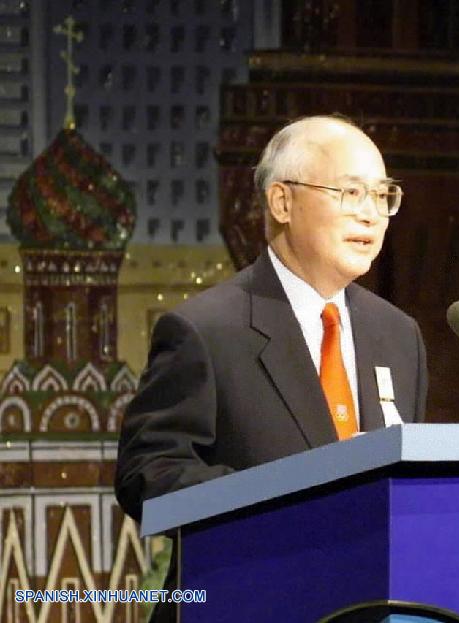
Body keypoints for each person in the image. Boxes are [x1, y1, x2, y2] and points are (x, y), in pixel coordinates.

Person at [115, 115, 428, 620]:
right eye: (350, 193)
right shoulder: (205, 330)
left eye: (382, 196)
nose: (371, 216)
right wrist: (277, 508)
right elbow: (148, 474)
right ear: (282, 202)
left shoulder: (398, 335)